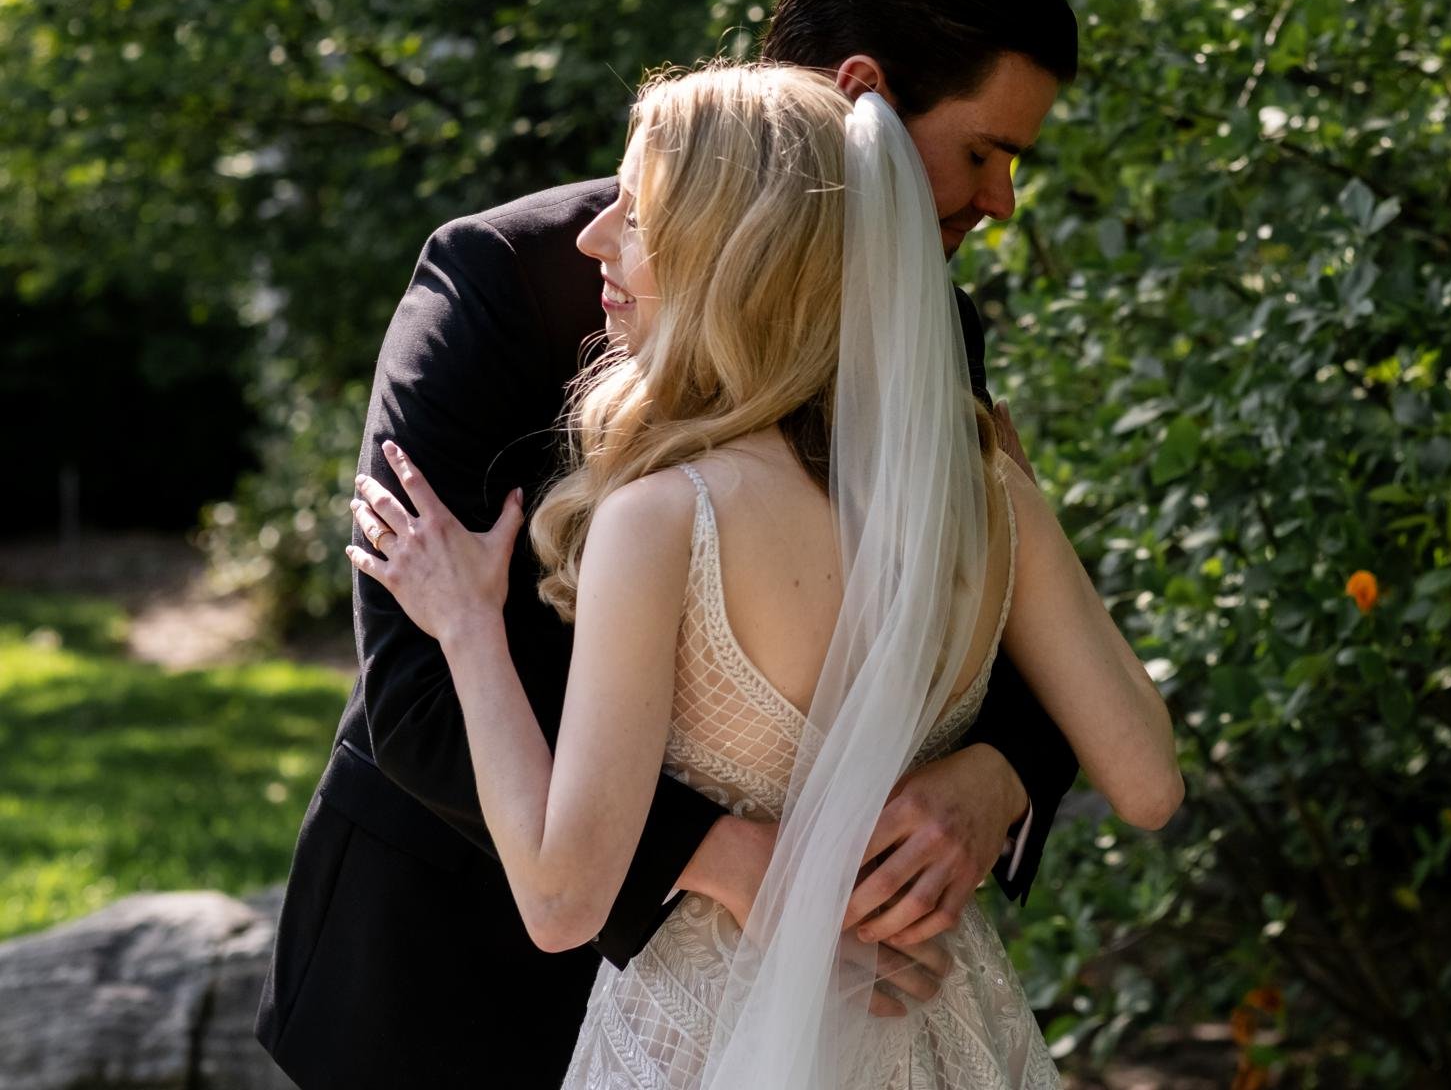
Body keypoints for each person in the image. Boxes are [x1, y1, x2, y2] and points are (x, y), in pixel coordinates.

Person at [259, 0, 1087, 1090]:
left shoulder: (929, 335)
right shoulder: (500, 279)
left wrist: (998, 772)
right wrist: (733, 856)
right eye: (984, 153)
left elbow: (998, 607)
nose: (1001, 200)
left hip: (803, 1017)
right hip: (452, 980)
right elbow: (418, 683)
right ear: (861, 96)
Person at [350, 64, 1178, 1090]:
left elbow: (562, 902)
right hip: (938, 1029)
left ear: (733, 254)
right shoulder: (983, 485)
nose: (593, 238)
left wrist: (470, 630)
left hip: (704, 1039)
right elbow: (1146, 782)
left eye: (636, 215)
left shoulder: (664, 518)